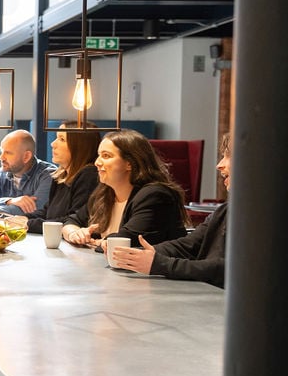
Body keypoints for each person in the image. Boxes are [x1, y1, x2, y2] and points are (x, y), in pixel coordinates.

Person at [110, 134, 230, 287]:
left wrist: (159, 264)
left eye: (227, 156)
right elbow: (188, 245)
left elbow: (226, 269)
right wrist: (137, 254)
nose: (219, 165)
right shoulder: (226, 210)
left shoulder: (154, 194)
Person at [62, 128, 188, 248]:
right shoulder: (105, 193)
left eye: (106, 156)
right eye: (98, 155)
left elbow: (125, 241)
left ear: (129, 163)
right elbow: (71, 221)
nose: (97, 162)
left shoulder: (154, 195)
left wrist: (95, 242)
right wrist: (74, 234)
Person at [25, 122, 101, 233]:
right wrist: (24, 218)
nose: (53, 144)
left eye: (61, 139)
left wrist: (27, 224)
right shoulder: (60, 176)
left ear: (79, 146)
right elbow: (47, 212)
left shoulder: (88, 175)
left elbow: (73, 220)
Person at [0, 129, 57, 216]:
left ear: (26, 156)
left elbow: (33, 211)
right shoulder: (1, 174)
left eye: (8, 153)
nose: (1, 157)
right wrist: (9, 201)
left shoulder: (48, 175)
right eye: (2, 151)